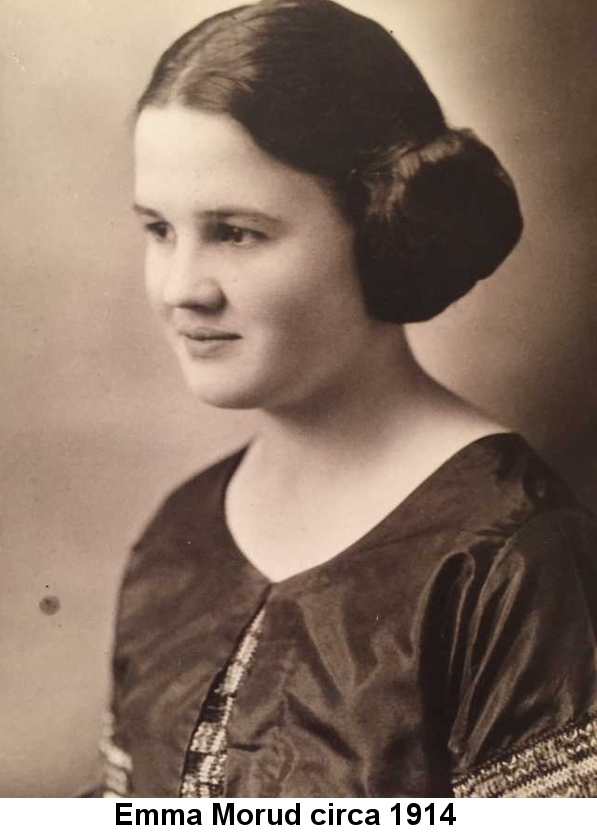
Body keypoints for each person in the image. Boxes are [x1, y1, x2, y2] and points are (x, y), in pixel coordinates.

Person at [99, 0, 597, 798]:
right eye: (159, 230)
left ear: (379, 229)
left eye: (235, 232)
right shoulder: (178, 534)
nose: (180, 289)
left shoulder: (509, 552)